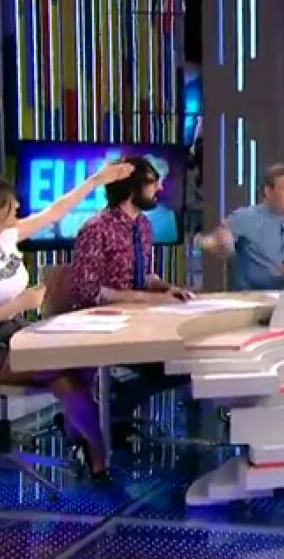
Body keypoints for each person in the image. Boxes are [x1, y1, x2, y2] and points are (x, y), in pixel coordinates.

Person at [0, 163, 133, 481]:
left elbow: (55, 212)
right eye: (10, 202)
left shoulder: (6, 237)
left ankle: (86, 443)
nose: (17, 205)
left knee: (82, 362)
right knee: (61, 371)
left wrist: (97, 180)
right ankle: (96, 453)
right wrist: (16, 305)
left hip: (10, 334)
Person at [68, 156, 195, 424]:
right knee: (169, 366)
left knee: (187, 360)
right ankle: (109, 416)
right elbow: (88, 291)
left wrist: (168, 288)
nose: (159, 188)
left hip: (139, 320)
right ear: (131, 187)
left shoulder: (143, 226)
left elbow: (142, 276)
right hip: (103, 326)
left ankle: (115, 409)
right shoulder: (96, 229)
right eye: (152, 182)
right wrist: (148, 299)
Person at [197, 163, 284, 291]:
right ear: (268, 191)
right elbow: (215, 242)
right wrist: (217, 242)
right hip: (253, 298)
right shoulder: (244, 218)